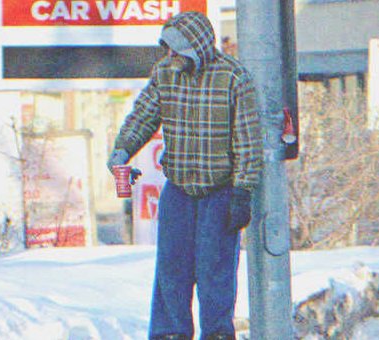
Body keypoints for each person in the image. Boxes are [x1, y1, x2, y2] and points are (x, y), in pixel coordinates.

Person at [106, 11, 263, 340]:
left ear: (197, 47)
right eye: (168, 49)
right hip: (178, 188)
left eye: (177, 50)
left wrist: (243, 192)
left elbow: (248, 142)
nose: (170, 56)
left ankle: (218, 333)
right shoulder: (164, 73)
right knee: (171, 268)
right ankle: (169, 333)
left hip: (219, 190)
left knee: (215, 271)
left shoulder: (234, 78)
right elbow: (144, 115)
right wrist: (122, 150)